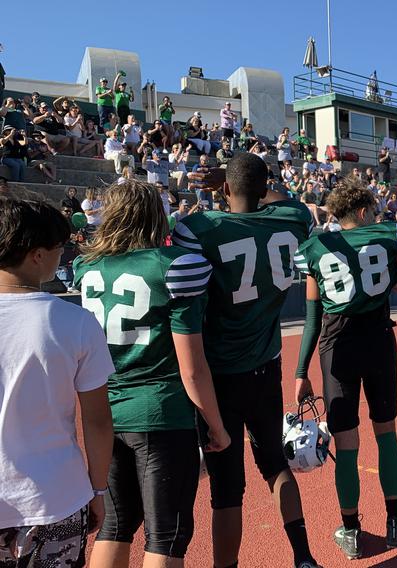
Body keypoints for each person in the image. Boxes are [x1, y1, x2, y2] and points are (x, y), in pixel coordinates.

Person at [172, 153, 320, 568]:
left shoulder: (200, 228)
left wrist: (229, 186)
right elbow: (286, 201)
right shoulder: (292, 218)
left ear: (223, 190)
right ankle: (304, 557)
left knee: (226, 490)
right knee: (276, 464)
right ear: (264, 188)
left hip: (217, 375)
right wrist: (248, 184)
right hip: (265, 366)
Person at [73, 182, 229, 568]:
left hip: (105, 413)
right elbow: (192, 369)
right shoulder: (175, 265)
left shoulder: (87, 267)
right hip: (160, 412)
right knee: (166, 536)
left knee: (114, 525)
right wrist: (216, 425)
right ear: (156, 216)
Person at [294, 177, 397, 560]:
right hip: (379, 342)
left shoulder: (317, 248)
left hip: (337, 348)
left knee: (346, 446)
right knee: (386, 434)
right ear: (364, 212)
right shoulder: (385, 236)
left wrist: (300, 372)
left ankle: (352, 531)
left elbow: (312, 319)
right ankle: (395, 522)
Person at [0, 198, 113, 567]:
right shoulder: (75, 323)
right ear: (36, 255)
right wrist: (98, 489)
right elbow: (97, 421)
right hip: (55, 497)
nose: (62, 256)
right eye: (58, 248)